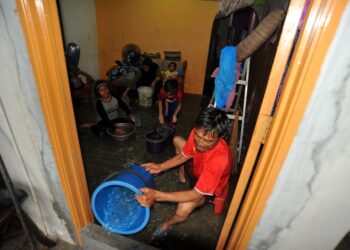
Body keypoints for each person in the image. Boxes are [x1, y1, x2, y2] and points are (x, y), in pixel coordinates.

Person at [136, 108, 232, 240]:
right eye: (198, 136)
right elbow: (184, 155)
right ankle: (182, 175)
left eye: (208, 141)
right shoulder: (199, 132)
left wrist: (157, 195)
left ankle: (167, 224)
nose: (200, 142)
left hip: (210, 187)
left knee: (183, 207)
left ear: (221, 138)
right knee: (177, 140)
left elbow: (197, 194)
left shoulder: (220, 158)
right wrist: (160, 166)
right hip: (197, 169)